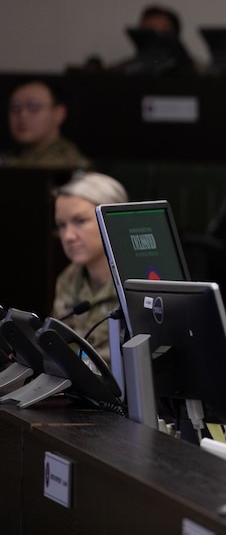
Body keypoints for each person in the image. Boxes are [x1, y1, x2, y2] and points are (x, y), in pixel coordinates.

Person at [49, 171, 129, 363]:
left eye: (80, 221)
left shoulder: (138, 281)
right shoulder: (69, 277)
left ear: (111, 219)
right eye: (61, 225)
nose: (68, 236)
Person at [2, 79, 90, 169]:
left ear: (59, 113)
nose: (22, 115)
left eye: (33, 107)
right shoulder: (7, 159)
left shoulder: (70, 164)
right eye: (15, 108)